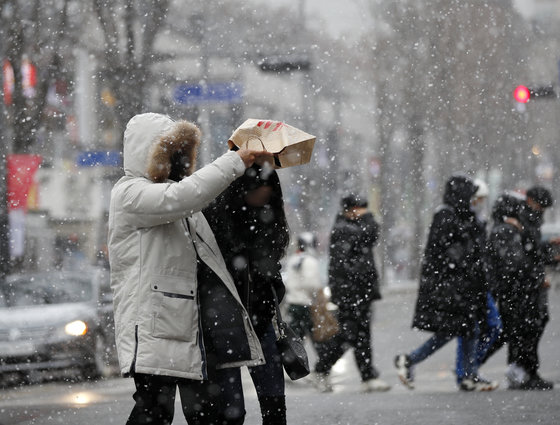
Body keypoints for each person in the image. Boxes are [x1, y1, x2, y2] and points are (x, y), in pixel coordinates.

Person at [108, 113, 271, 424]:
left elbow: (207, 246)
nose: (175, 160)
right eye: (169, 152)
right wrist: (234, 161)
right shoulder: (129, 193)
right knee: (154, 411)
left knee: (207, 413)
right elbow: (183, 197)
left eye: (180, 153)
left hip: (187, 323)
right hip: (154, 323)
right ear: (149, 152)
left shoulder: (177, 196)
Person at [204, 163, 290, 425]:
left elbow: (271, 267)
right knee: (232, 412)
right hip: (223, 323)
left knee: (274, 405)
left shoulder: (271, 217)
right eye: (258, 188)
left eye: (269, 189)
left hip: (261, 319)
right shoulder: (217, 217)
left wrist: (272, 284)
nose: (264, 193)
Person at [394, 175, 496, 391]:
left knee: (467, 329)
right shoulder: (447, 216)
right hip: (452, 286)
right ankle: (412, 360)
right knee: (456, 330)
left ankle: (466, 375)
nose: (473, 202)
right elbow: (450, 253)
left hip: (462, 285)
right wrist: (468, 259)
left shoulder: (460, 216)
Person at [312, 194, 391, 393]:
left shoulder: (349, 228)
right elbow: (371, 233)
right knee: (351, 335)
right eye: (360, 210)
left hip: (358, 291)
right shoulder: (345, 229)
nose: (364, 214)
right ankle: (322, 370)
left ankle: (366, 376)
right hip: (351, 292)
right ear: (350, 211)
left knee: (359, 335)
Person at [454, 179, 501, 388]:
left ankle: (468, 369)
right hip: (472, 283)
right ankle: (465, 371)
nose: (480, 203)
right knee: (468, 331)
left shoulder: (476, 219)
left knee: (486, 328)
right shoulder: (464, 219)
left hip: (480, 282)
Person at [484, 192, 532, 388]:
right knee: (508, 329)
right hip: (508, 287)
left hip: (505, 286)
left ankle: (476, 363)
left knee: (506, 329)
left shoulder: (504, 228)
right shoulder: (506, 230)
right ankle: (476, 363)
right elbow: (512, 261)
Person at [513, 186, 559, 389]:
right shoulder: (524, 219)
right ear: (532, 201)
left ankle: (525, 370)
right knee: (531, 326)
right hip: (528, 281)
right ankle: (527, 371)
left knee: (536, 323)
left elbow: (533, 249)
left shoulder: (531, 219)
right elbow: (528, 251)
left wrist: (548, 248)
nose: (542, 210)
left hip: (532, 279)